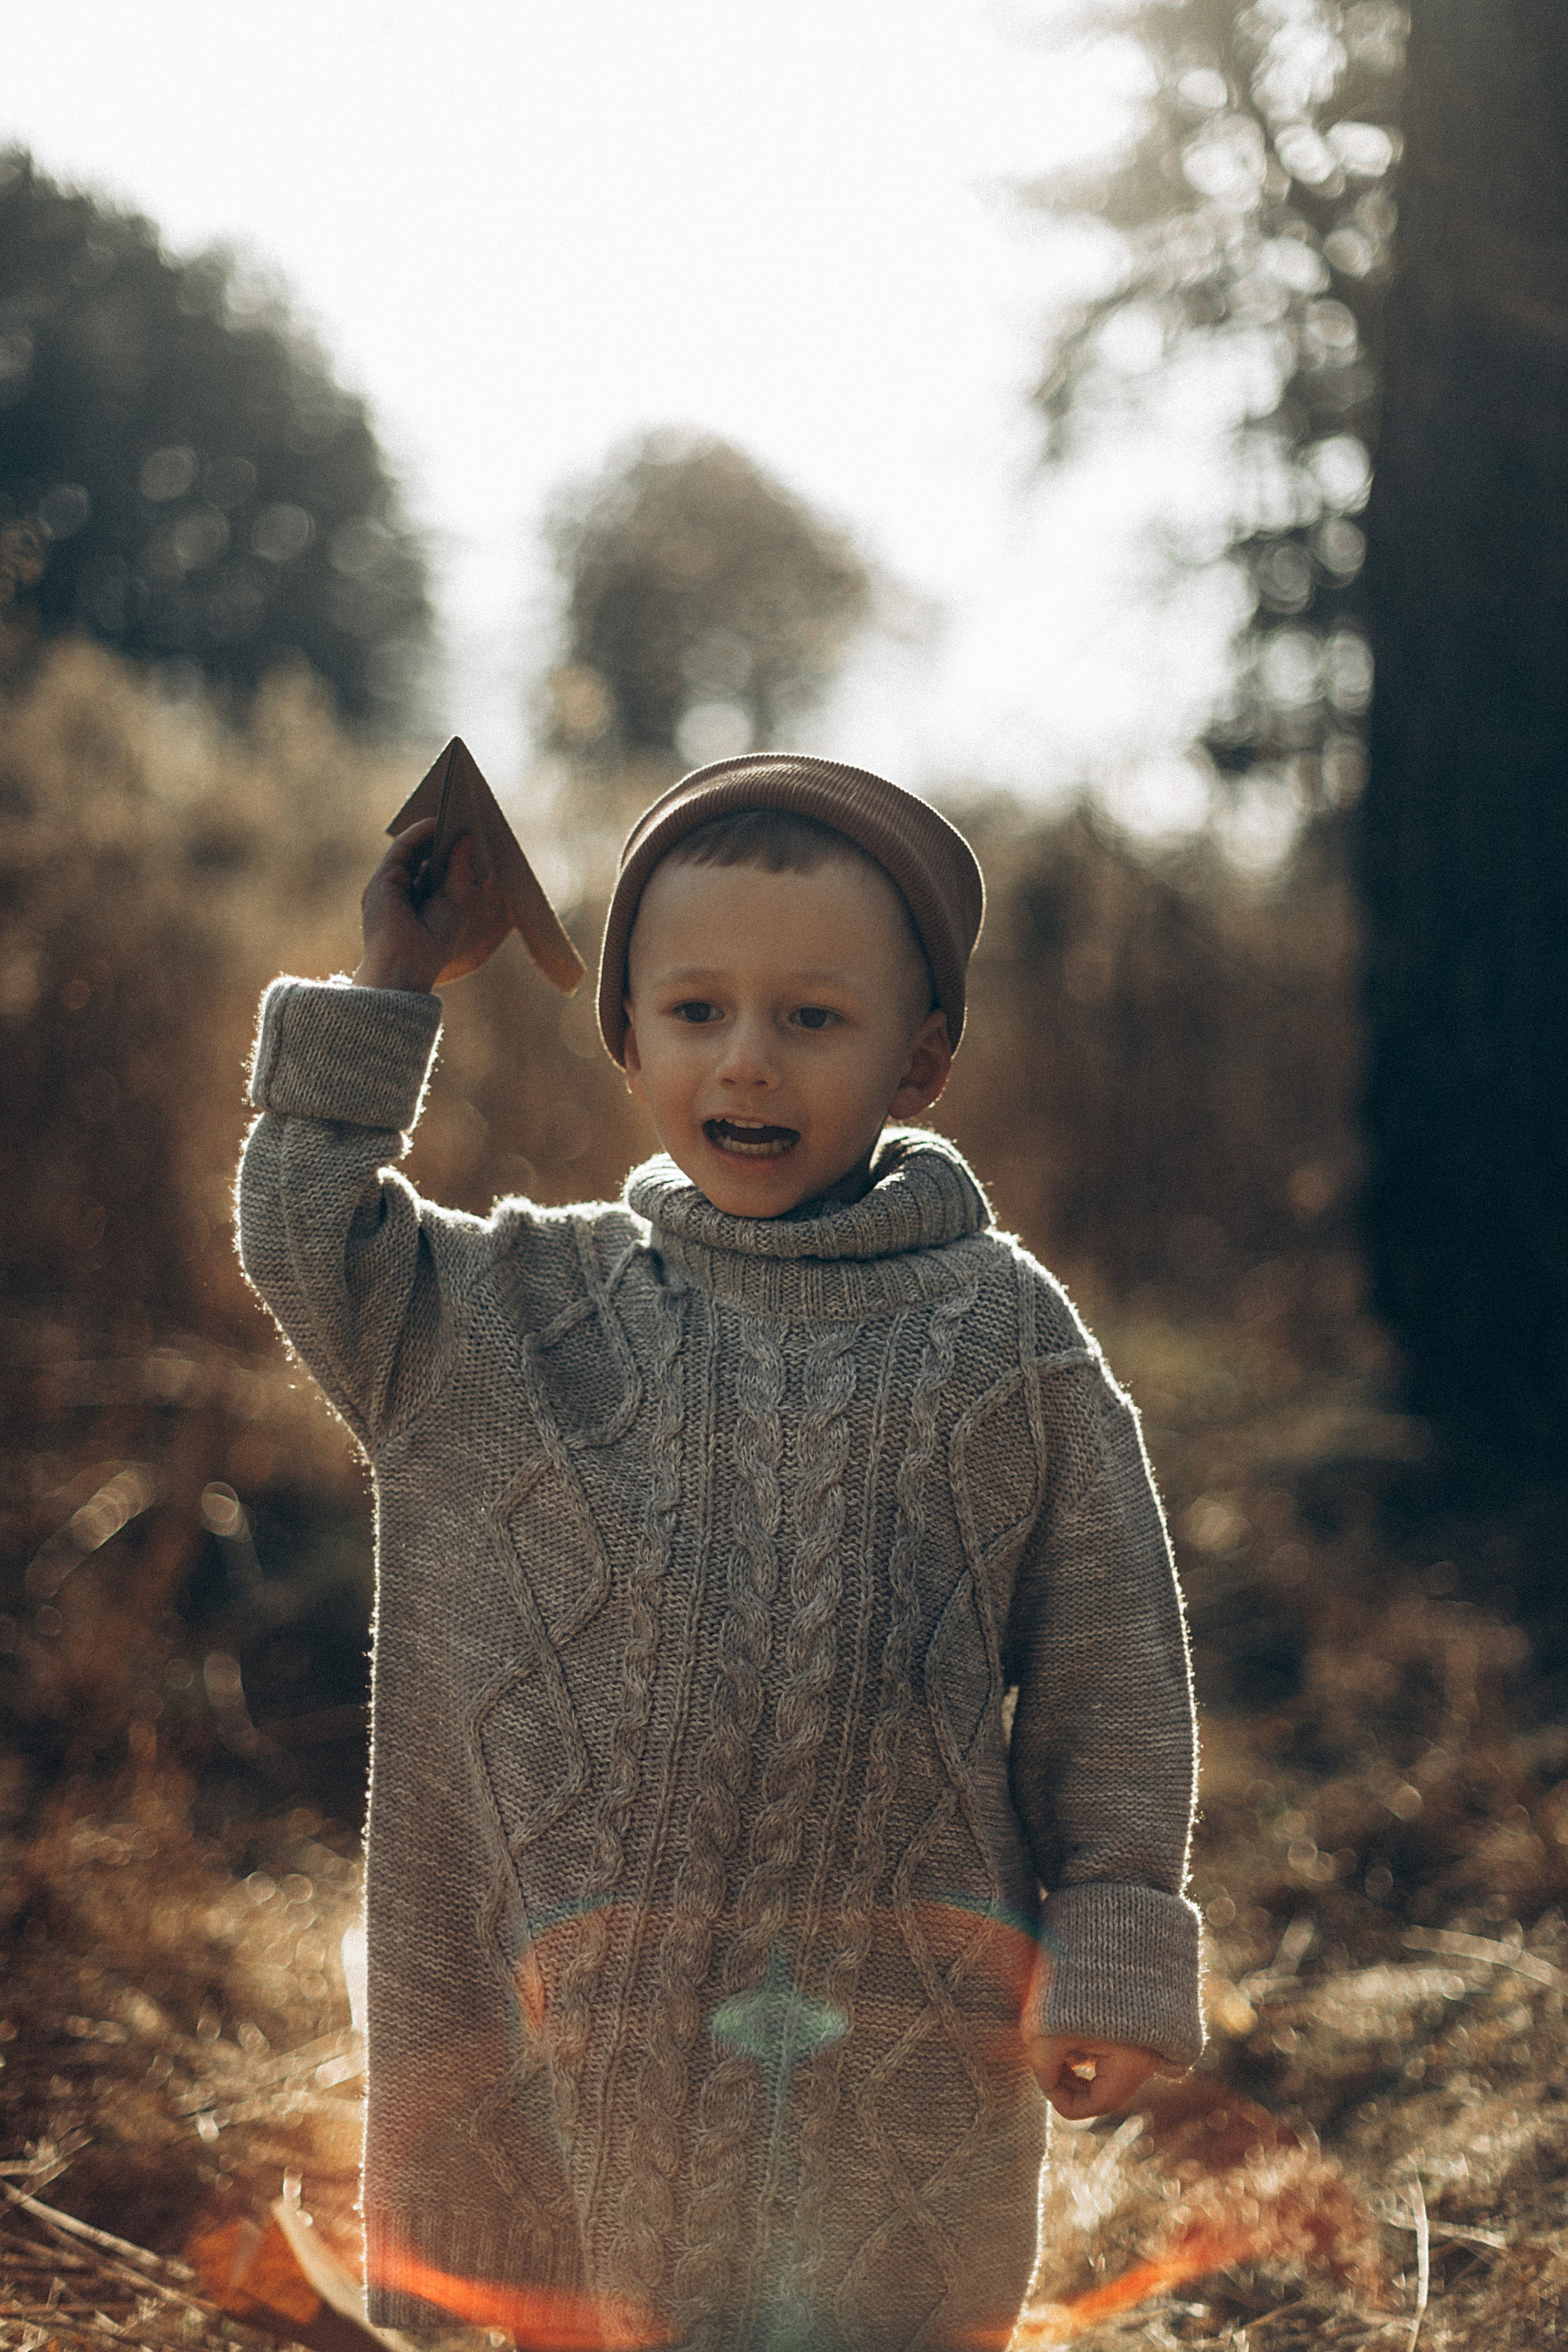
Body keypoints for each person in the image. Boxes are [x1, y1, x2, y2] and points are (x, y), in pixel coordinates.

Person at [236, 753, 1203, 2352]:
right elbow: (305, 1238)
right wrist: (391, 983)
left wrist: (1114, 1934)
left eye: (813, 1018)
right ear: (626, 1037)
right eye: (695, 1012)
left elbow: (1113, 1670)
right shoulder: (510, 1311)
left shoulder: (1004, 1344)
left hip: (897, 2079)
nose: (747, 1063)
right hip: (569, 2074)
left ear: (924, 1055)